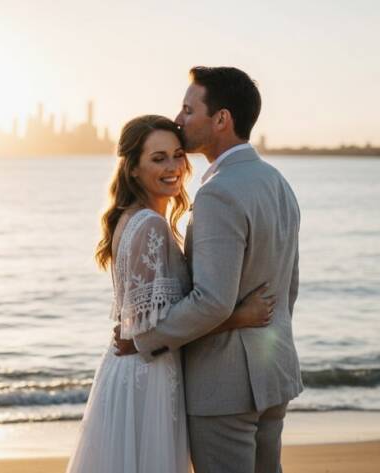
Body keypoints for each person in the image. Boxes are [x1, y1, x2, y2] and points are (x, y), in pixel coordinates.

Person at [115, 67, 302, 473]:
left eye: (188, 109)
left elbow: (212, 302)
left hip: (225, 387)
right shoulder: (277, 182)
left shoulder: (218, 192)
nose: (179, 120)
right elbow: (289, 287)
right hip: (275, 375)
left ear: (221, 119)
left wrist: (145, 339)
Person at [66, 114, 276, 473]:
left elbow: (145, 325)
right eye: (158, 158)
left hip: (131, 368)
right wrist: (240, 316)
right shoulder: (150, 225)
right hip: (148, 375)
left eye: (178, 155)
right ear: (133, 168)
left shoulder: (131, 217)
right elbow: (151, 331)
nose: (173, 167)